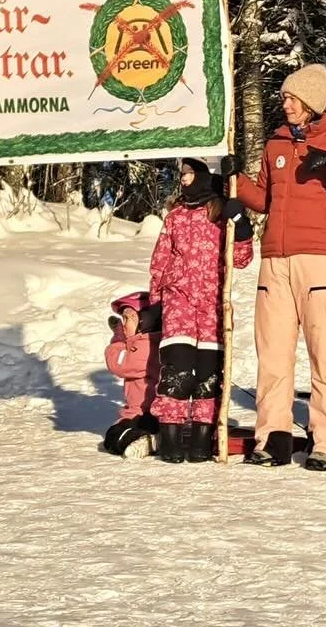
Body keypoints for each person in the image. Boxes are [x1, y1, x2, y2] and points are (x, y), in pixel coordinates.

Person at [235, 64, 326, 470]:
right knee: (273, 354)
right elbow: (264, 199)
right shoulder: (275, 144)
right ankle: (273, 437)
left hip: (322, 263)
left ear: (312, 103)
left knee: (323, 354)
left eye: (293, 97)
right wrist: (236, 182)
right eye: (283, 97)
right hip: (275, 261)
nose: (285, 103)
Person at [148, 159, 254, 463]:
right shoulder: (175, 217)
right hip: (178, 301)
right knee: (178, 371)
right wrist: (156, 302)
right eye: (182, 175)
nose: (183, 180)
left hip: (212, 306)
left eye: (190, 174)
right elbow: (160, 262)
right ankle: (169, 436)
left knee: (207, 375)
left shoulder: (221, 216)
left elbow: (242, 258)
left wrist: (242, 226)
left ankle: (201, 439)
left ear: (206, 177)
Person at [101, 291, 160, 459]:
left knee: (114, 437)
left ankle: (151, 441)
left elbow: (118, 364)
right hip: (147, 412)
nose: (124, 324)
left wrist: (117, 340)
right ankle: (148, 438)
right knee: (118, 431)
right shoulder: (148, 343)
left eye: (128, 319)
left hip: (145, 413)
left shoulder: (145, 346)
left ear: (144, 321)